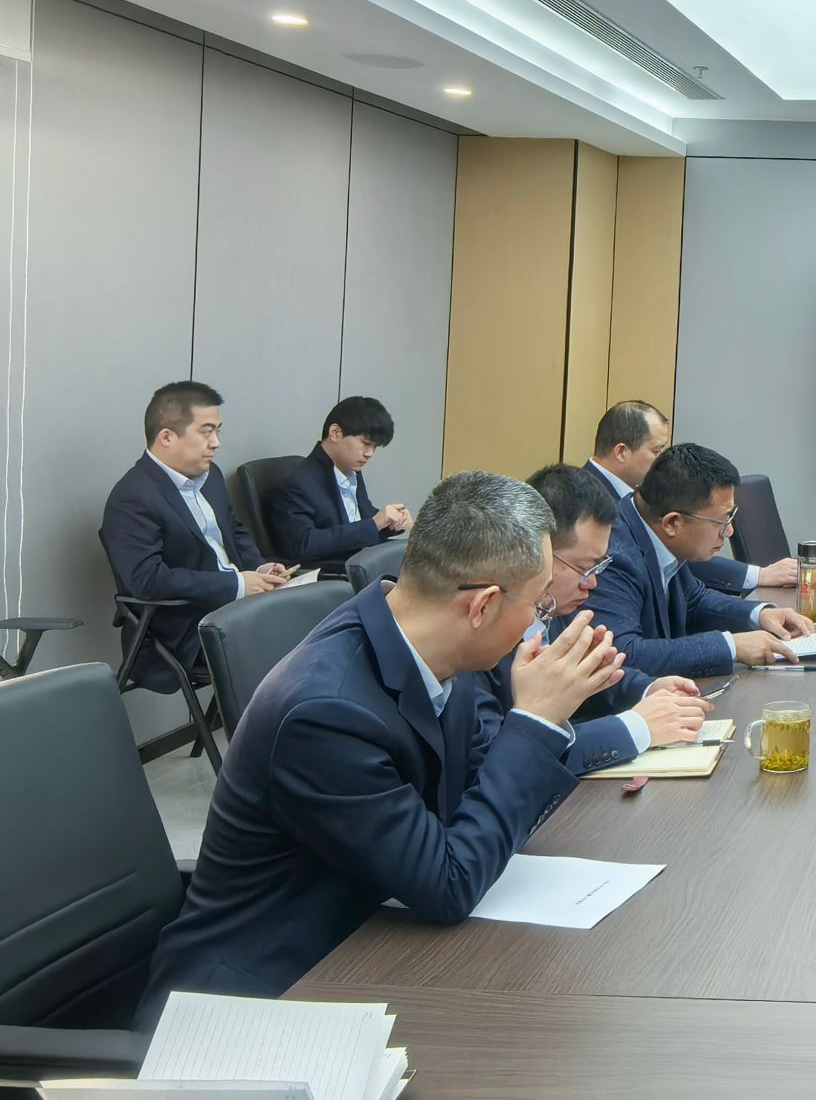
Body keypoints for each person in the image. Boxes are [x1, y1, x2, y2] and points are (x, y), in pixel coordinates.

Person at [142, 471, 623, 1012]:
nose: (538, 621)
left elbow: (474, 792)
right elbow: (448, 884)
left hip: (369, 942)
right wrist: (533, 722)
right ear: (482, 606)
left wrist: (538, 721)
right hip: (255, 997)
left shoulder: (437, 649)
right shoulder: (326, 715)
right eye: (537, 606)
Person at [479, 464, 711, 774]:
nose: (591, 583)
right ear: (540, 552)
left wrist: (649, 689)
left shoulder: (555, 611)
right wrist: (636, 727)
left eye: (598, 567)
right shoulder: (483, 642)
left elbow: (584, 680)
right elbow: (504, 760)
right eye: (584, 567)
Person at [101, 381, 290, 693]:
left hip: (237, 608)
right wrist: (237, 585)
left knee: (322, 617)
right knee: (301, 639)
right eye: (206, 432)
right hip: (186, 631)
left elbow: (234, 531)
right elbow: (147, 580)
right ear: (167, 437)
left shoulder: (210, 475)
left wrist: (259, 568)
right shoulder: (132, 498)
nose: (216, 443)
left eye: (218, 431)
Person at [583, 442, 813, 678]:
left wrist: (758, 614)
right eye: (723, 520)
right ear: (672, 523)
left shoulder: (654, 530)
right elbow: (623, 654)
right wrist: (730, 646)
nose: (729, 531)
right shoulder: (613, 556)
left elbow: (693, 600)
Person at [585, 400, 794, 596]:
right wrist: (758, 575)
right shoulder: (590, 505)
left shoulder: (631, 492)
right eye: (657, 451)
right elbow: (677, 549)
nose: (664, 461)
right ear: (622, 452)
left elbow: (685, 580)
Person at [266, 395, 411, 573]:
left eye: (375, 447)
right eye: (366, 444)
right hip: (332, 572)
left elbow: (360, 519)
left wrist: (391, 523)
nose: (370, 453)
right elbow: (302, 545)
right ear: (335, 433)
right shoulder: (297, 482)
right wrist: (374, 524)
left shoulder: (351, 470)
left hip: (357, 562)